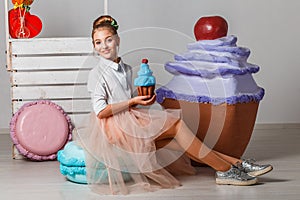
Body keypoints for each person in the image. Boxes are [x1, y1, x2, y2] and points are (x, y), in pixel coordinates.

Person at [76, 15, 273, 195]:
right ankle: (227, 170)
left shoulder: (125, 68)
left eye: (108, 40)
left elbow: (123, 99)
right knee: (177, 125)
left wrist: (142, 100)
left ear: (117, 40)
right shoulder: (97, 73)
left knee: (178, 141)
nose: (104, 46)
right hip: (113, 127)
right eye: (98, 42)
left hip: (129, 118)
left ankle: (236, 164)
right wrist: (133, 102)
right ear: (94, 47)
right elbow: (101, 111)